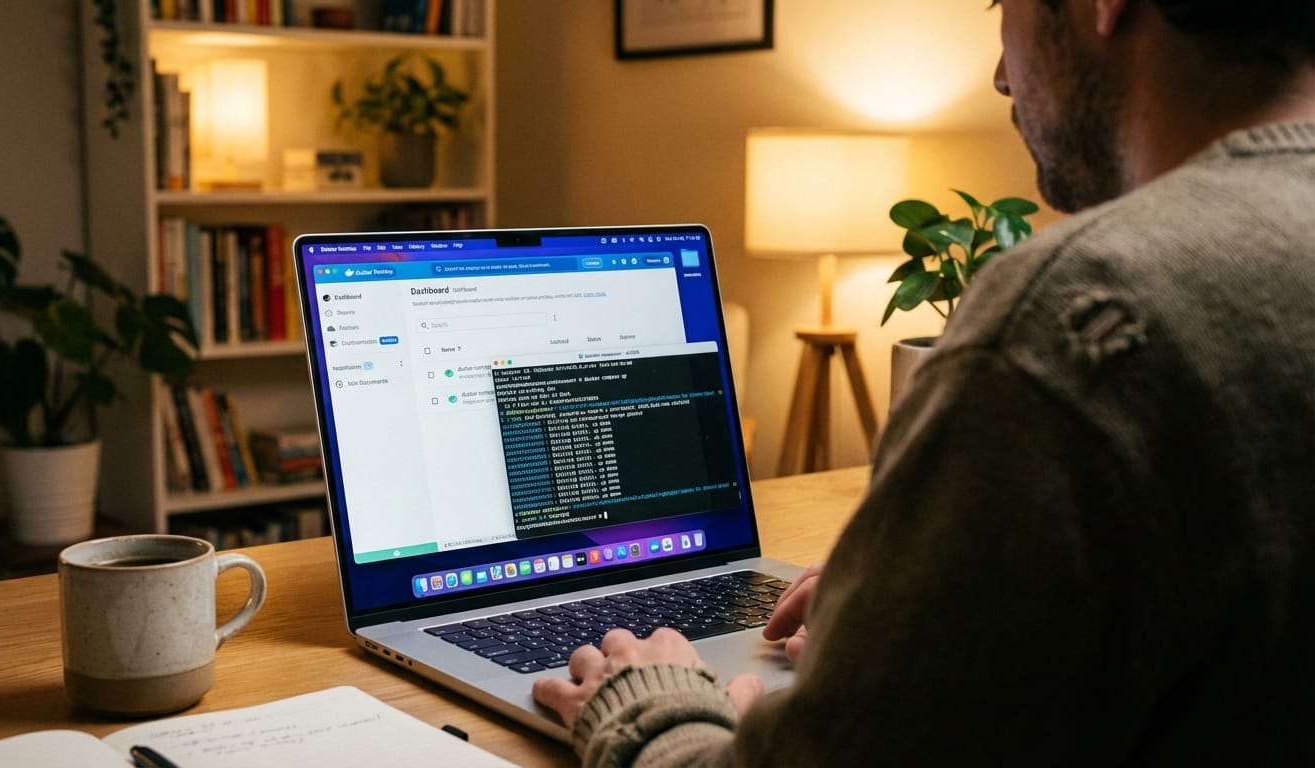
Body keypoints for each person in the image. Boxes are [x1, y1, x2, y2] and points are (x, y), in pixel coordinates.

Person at [532, 0, 1315, 764]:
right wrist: (941, 600)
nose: (1004, 75)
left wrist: (649, 711)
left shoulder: (1078, 316)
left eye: (1001, 11)